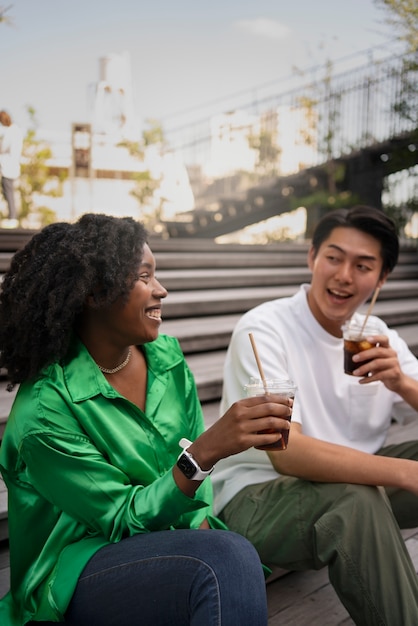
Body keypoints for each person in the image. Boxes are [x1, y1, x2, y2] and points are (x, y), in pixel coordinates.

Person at [0, 213, 293, 625]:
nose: (162, 290)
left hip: (165, 543)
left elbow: (193, 491)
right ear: (93, 293)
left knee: (228, 552)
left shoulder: (166, 359)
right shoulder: (46, 411)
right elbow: (121, 519)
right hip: (74, 574)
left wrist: (199, 521)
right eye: (144, 277)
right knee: (227, 557)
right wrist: (206, 452)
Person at [212, 205, 418, 625]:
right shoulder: (265, 329)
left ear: (381, 279)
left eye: (363, 266)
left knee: (358, 492)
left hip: (345, 492)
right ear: (312, 258)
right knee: (356, 496)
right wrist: (404, 473)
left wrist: (401, 383)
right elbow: (286, 452)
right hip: (257, 498)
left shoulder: (378, 336)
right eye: (334, 257)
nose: (344, 275)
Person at [0, 110, 23, 227]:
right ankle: (12, 216)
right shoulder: (17, 130)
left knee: (8, 192)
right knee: (9, 192)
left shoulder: (10, 132)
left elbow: (3, 147)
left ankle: (12, 217)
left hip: (8, 167)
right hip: (12, 166)